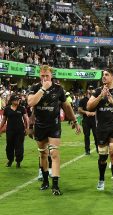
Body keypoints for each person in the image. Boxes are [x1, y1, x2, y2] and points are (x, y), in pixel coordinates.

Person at [27, 65, 81, 196]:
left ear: (51, 75)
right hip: (40, 126)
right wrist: (43, 89)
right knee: (43, 154)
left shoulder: (58, 89)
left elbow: (66, 106)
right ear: (39, 75)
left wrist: (75, 121)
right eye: (42, 75)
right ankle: (45, 181)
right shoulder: (34, 88)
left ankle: (55, 185)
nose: (45, 78)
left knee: (55, 155)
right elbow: (31, 103)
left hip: (54, 126)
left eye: (47, 75)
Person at [87, 69, 113, 195]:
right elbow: (89, 107)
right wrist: (101, 96)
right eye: (103, 75)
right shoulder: (97, 91)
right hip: (101, 129)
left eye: (106, 75)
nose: (104, 77)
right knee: (103, 157)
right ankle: (101, 179)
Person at [0, 94, 29, 168]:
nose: (18, 101)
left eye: (18, 100)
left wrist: (27, 128)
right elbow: (4, 120)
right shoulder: (7, 109)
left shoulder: (21, 108)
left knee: (19, 146)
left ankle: (18, 161)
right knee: (9, 146)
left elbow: (26, 119)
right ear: (12, 101)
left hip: (20, 131)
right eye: (16, 100)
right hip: (10, 131)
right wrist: (0, 128)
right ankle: (10, 160)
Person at [78, 87, 98, 155]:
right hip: (86, 120)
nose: (91, 90)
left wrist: (95, 113)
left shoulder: (96, 99)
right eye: (89, 89)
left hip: (94, 119)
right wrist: (86, 112)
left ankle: (98, 148)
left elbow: (99, 109)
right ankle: (87, 150)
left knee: (96, 135)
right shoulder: (83, 100)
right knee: (86, 135)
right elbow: (79, 110)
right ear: (87, 90)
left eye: (92, 89)